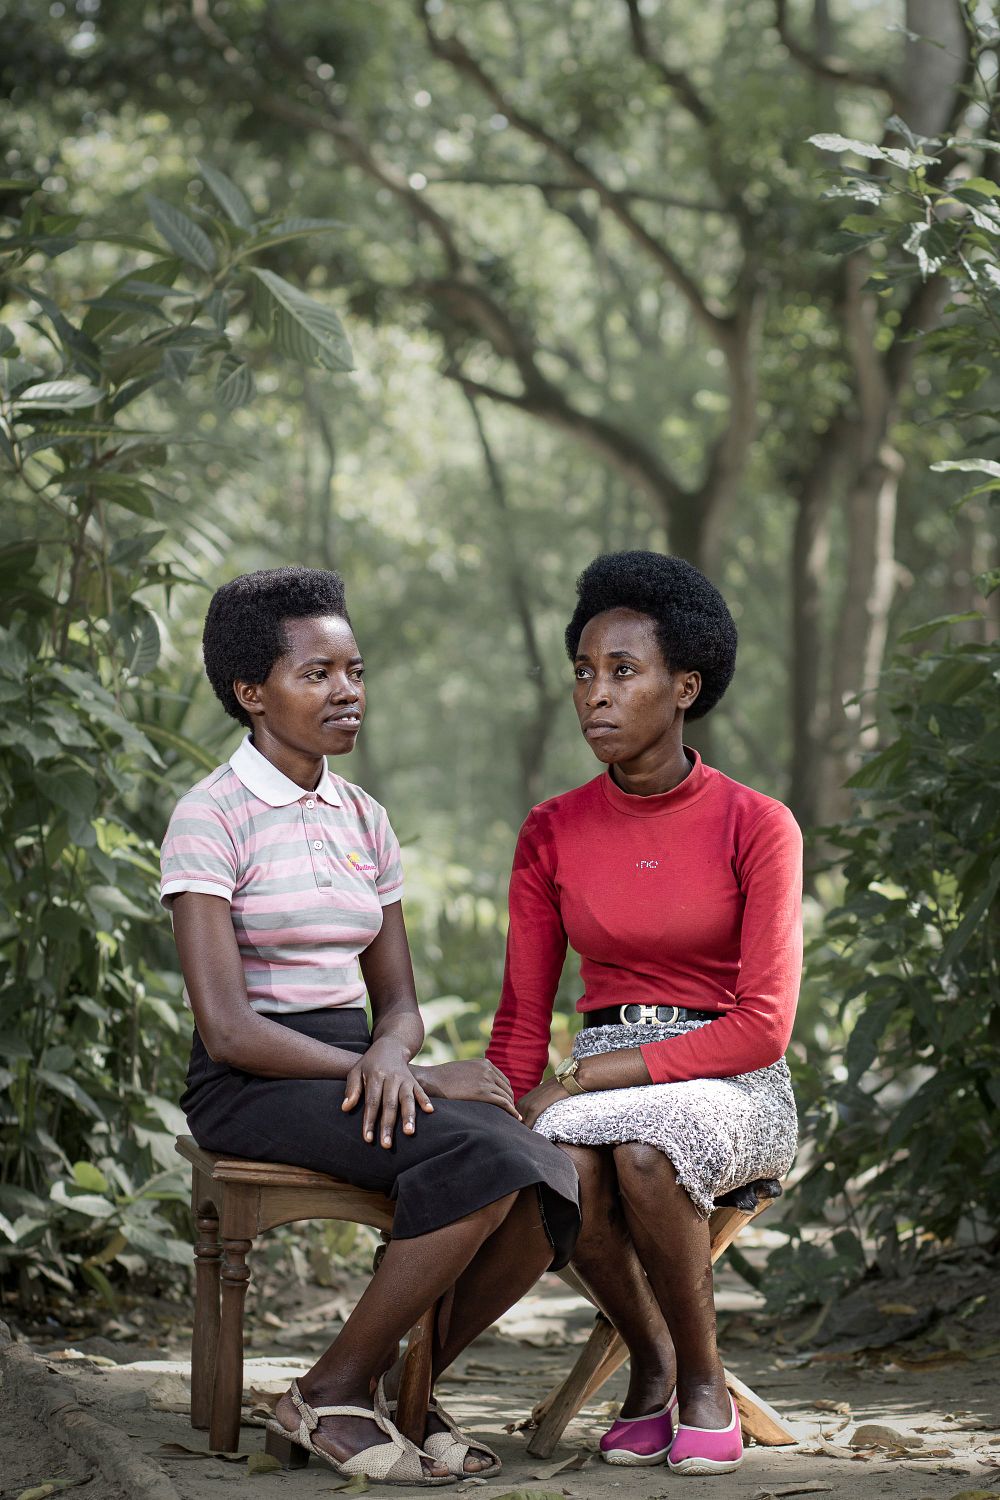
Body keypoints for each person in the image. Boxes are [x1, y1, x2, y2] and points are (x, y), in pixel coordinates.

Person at [160, 566, 579, 1487]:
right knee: (488, 1157)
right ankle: (332, 1390)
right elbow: (227, 1028)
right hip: (252, 1083)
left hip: (358, 1067)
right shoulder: (209, 816)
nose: (347, 691)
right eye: (316, 674)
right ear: (250, 691)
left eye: (355, 671)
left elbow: (398, 1001)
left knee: (544, 1165)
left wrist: (393, 1052)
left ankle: (400, 1387)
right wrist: (412, 1078)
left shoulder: (363, 816)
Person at [487, 551, 802, 1477]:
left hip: (733, 1081)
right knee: (565, 1160)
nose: (596, 693)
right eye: (584, 671)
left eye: (623, 671)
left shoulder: (758, 824)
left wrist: (587, 1077)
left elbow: (762, 1026)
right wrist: (506, 1105)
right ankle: (654, 1360)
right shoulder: (552, 829)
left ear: (685, 687)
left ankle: (702, 1384)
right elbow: (522, 1015)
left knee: (643, 1148)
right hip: (597, 1078)